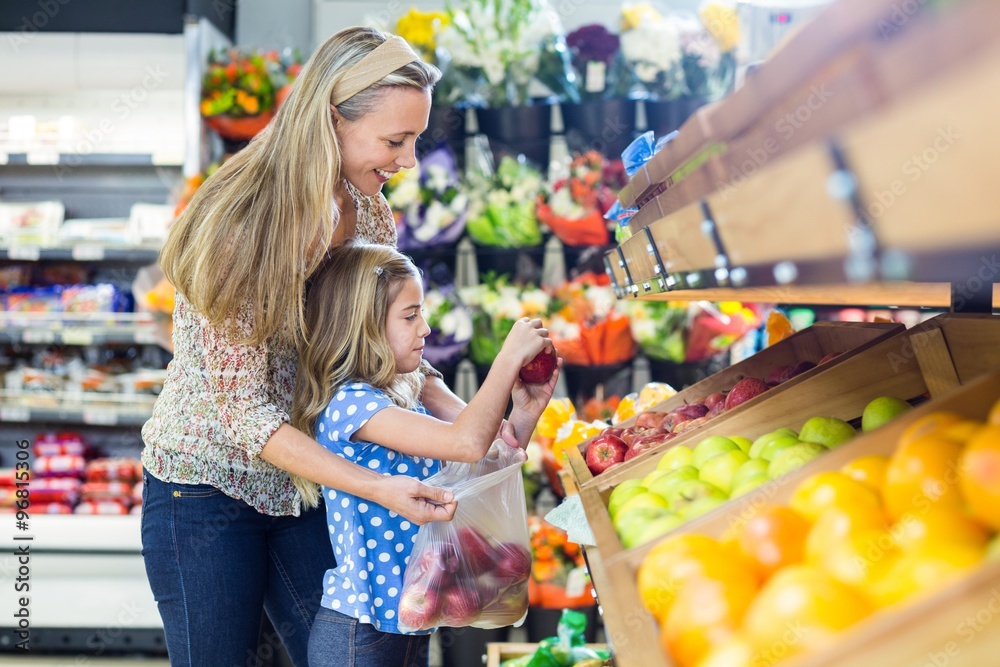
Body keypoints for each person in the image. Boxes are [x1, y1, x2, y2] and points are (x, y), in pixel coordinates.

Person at [141, 26, 476, 666]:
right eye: (395, 140)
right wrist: (378, 486)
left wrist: (463, 416)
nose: (408, 161)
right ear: (330, 119)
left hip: (307, 486)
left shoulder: (367, 208)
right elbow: (246, 418)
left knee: (355, 654)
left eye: (415, 140)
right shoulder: (242, 226)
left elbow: (374, 345)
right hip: (204, 490)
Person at [292, 242, 559, 667]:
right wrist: (507, 359)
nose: (426, 329)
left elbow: (484, 461)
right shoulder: (351, 405)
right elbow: (466, 441)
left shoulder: (402, 397)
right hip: (360, 632)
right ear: (364, 326)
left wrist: (525, 412)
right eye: (410, 315)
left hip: (410, 621)